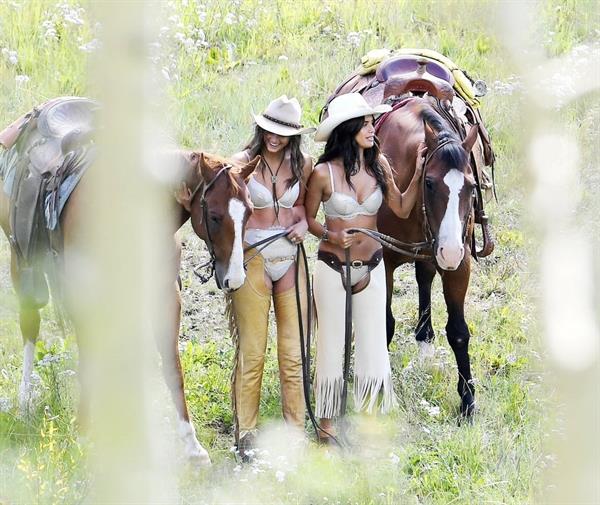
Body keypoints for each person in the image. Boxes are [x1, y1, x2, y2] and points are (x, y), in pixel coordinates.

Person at [305, 93, 425, 441]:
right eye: (367, 123)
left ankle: (371, 425)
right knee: (330, 343)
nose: (373, 129)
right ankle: (327, 426)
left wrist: (416, 173)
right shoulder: (322, 173)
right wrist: (329, 232)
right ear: (348, 128)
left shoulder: (379, 166)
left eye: (373, 122)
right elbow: (308, 219)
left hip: (371, 267)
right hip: (331, 265)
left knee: (373, 343)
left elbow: (401, 208)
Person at [229, 95, 314, 459]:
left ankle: (294, 432)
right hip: (254, 258)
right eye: (268, 130)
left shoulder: (304, 164)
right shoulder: (241, 163)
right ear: (259, 128)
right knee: (252, 352)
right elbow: (228, 211)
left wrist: (302, 225)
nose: (273, 138)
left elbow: (302, 210)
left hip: (291, 259)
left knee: (293, 354)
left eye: (281, 133)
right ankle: (246, 432)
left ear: (293, 136)